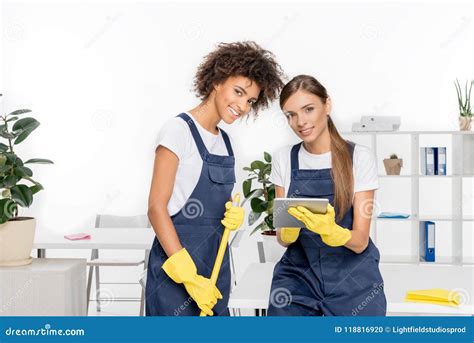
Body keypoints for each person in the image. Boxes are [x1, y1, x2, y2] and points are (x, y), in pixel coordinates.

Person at [146, 41, 284, 316]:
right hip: (177, 267)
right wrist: (186, 273)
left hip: (216, 266)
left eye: (250, 100)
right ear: (217, 81)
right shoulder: (178, 131)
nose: (242, 106)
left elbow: (218, 207)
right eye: (238, 92)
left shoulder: (227, 143)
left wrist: (233, 219)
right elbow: (156, 208)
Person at [268, 75, 387, 316]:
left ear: (327, 105)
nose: (300, 122)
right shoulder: (283, 159)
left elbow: (360, 241)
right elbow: (283, 239)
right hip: (298, 276)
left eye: (308, 109)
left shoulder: (359, 157)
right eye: (290, 115)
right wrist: (288, 231)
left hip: (353, 277)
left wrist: (334, 232)